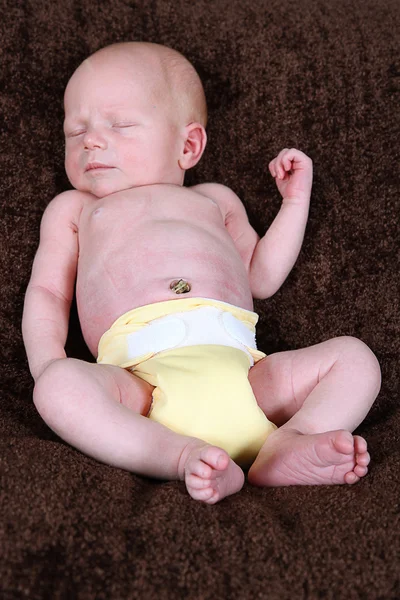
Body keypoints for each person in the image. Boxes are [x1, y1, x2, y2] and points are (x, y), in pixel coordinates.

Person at [22, 41, 381, 504]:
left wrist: (294, 203)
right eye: (76, 131)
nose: (91, 140)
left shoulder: (215, 199)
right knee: (56, 388)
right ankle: (179, 455)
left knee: (355, 359)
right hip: (139, 382)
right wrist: (47, 363)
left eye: (120, 125)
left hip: (246, 375)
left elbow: (262, 277)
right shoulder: (76, 209)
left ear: (188, 145)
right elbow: (49, 292)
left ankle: (290, 442)